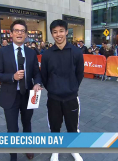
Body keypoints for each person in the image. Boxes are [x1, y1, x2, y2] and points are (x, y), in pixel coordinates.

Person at [0, 20, 42, 161]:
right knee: (12, 129)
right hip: (10, 96)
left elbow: (36, 73)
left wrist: (37, 83)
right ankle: (13, 156)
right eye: (16, 30)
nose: (19, 33)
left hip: (27, 95)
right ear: (11, 33)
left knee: (27, 124)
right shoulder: (3, 52)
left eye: (22, 31)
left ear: (26, 34)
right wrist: (12, 77)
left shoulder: (31, 53)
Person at [41, 19, 84, 161]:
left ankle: (74, 150)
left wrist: (71, 88)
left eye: (61, 31)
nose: (58, 34)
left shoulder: (76, 52)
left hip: (71, 98)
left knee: (73, 127)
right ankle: (55, 151)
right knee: (54, 127)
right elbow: (44, 76)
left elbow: (79, 74)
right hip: (54, 99)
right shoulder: (47, 54)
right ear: (52, 34)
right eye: (55, 32)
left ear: (66, 32)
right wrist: (54, 89)